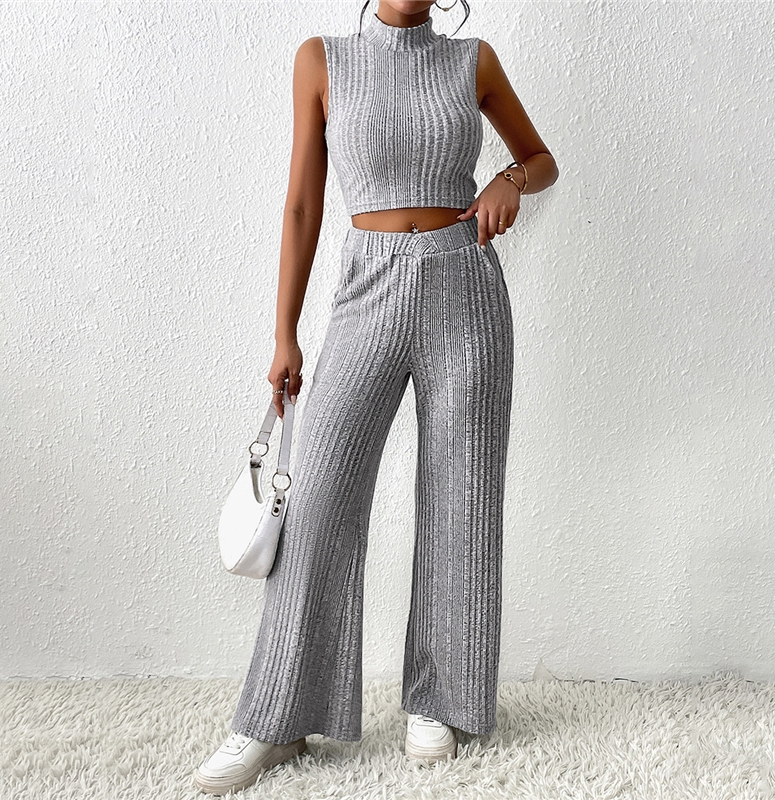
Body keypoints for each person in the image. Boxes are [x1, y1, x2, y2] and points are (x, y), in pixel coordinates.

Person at [194, 0, 558, 793]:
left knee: (462, 501)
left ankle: (441, 701)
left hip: (465, 286)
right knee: (318, 500)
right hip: (367, 286)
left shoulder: (472, 60)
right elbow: (302, 202)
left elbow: (541, 159)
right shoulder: (322, 59)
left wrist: (509, 178)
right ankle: (276, 719)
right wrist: (285, 333)